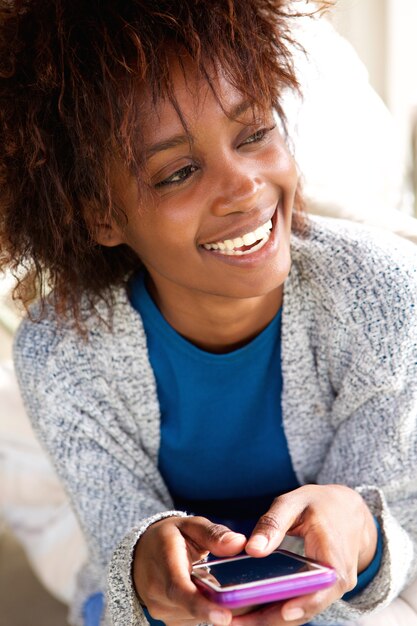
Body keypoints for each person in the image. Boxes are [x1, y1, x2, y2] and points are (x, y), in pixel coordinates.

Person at [1, 1, 417, 625]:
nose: (244, 186)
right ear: (100, 215)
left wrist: (363, 532)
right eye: (178, 173)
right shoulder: (60, 351)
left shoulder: (378, 294)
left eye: (254, 134)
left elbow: (397, 531)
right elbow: (117, 556)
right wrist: (142, 566)